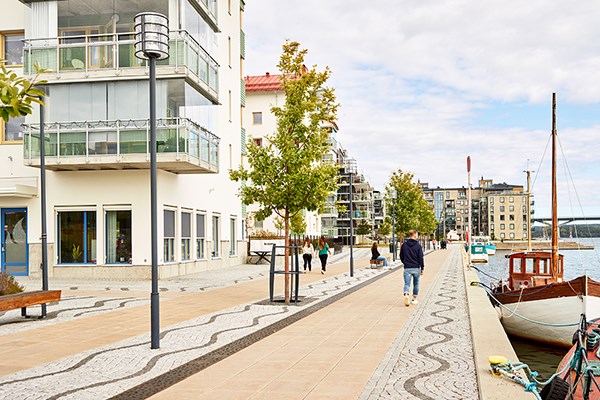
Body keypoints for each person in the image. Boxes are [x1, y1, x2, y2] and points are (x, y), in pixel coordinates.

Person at [400, 229, 425, 307]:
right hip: (416, 267)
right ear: (414, 235)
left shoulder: (404, 245)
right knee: (416, 283)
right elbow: (421, 257)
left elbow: (401, 256)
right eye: (417, 234)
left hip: (407, 267)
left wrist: (405, 262)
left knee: (407, 284)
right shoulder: (418, 246)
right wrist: (422, 268)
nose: (417, 236)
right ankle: (414, 299)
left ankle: (406, 293)